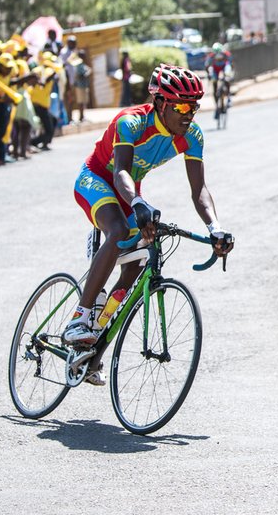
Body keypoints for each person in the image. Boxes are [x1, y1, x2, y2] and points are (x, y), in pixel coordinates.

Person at [62, 65, 233, 380]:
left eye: (194, 107)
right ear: (162, 104)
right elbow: (120, 171)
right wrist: (138, 203)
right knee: (116, 231)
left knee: (139, 261)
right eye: (182, 106)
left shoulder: (191, 136)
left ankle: (94, 348)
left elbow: (200, 190)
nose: (189, 114)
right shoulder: (132, 122)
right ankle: (80, 316)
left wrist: (215, 227)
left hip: (131, 192)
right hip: (98, 178)